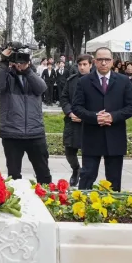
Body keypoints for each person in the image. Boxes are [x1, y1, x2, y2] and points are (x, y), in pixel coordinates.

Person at [72, 47, 132, 191]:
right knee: (87, 177)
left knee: (114, 181)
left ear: (112, 61)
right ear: (94, 61)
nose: (103, 63)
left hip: (115, 136)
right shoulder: (84, 82)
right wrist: (95, 117)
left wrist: (113, 116)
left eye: (107, 60)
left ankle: (113, 205)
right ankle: (82, 203)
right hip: (92, 136)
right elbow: (76, 107)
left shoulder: (123, 81)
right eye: (100, 59)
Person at [0, 46, 52, 184]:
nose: (20, 62)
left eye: (24, 59)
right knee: (14, 176)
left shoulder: (33, 75)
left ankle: (45, 195)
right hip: (12, 133)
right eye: (17, 59)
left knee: (44, 174)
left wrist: (27, 70)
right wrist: (4, 62)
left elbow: (42, 88)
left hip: (35, 132)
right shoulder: (6, 77)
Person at [59, 55, 93, 186]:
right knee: (69, 152)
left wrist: (85, 115)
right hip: (72, 121)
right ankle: (76, 169)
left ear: (90, 65)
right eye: (80, 65)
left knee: (88, 153)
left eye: (85, 64)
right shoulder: (71, 80)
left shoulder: (95, 81)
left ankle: (85, 176)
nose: (82, 67)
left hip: (88, 123)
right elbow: (64, 98)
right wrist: (69, 112)